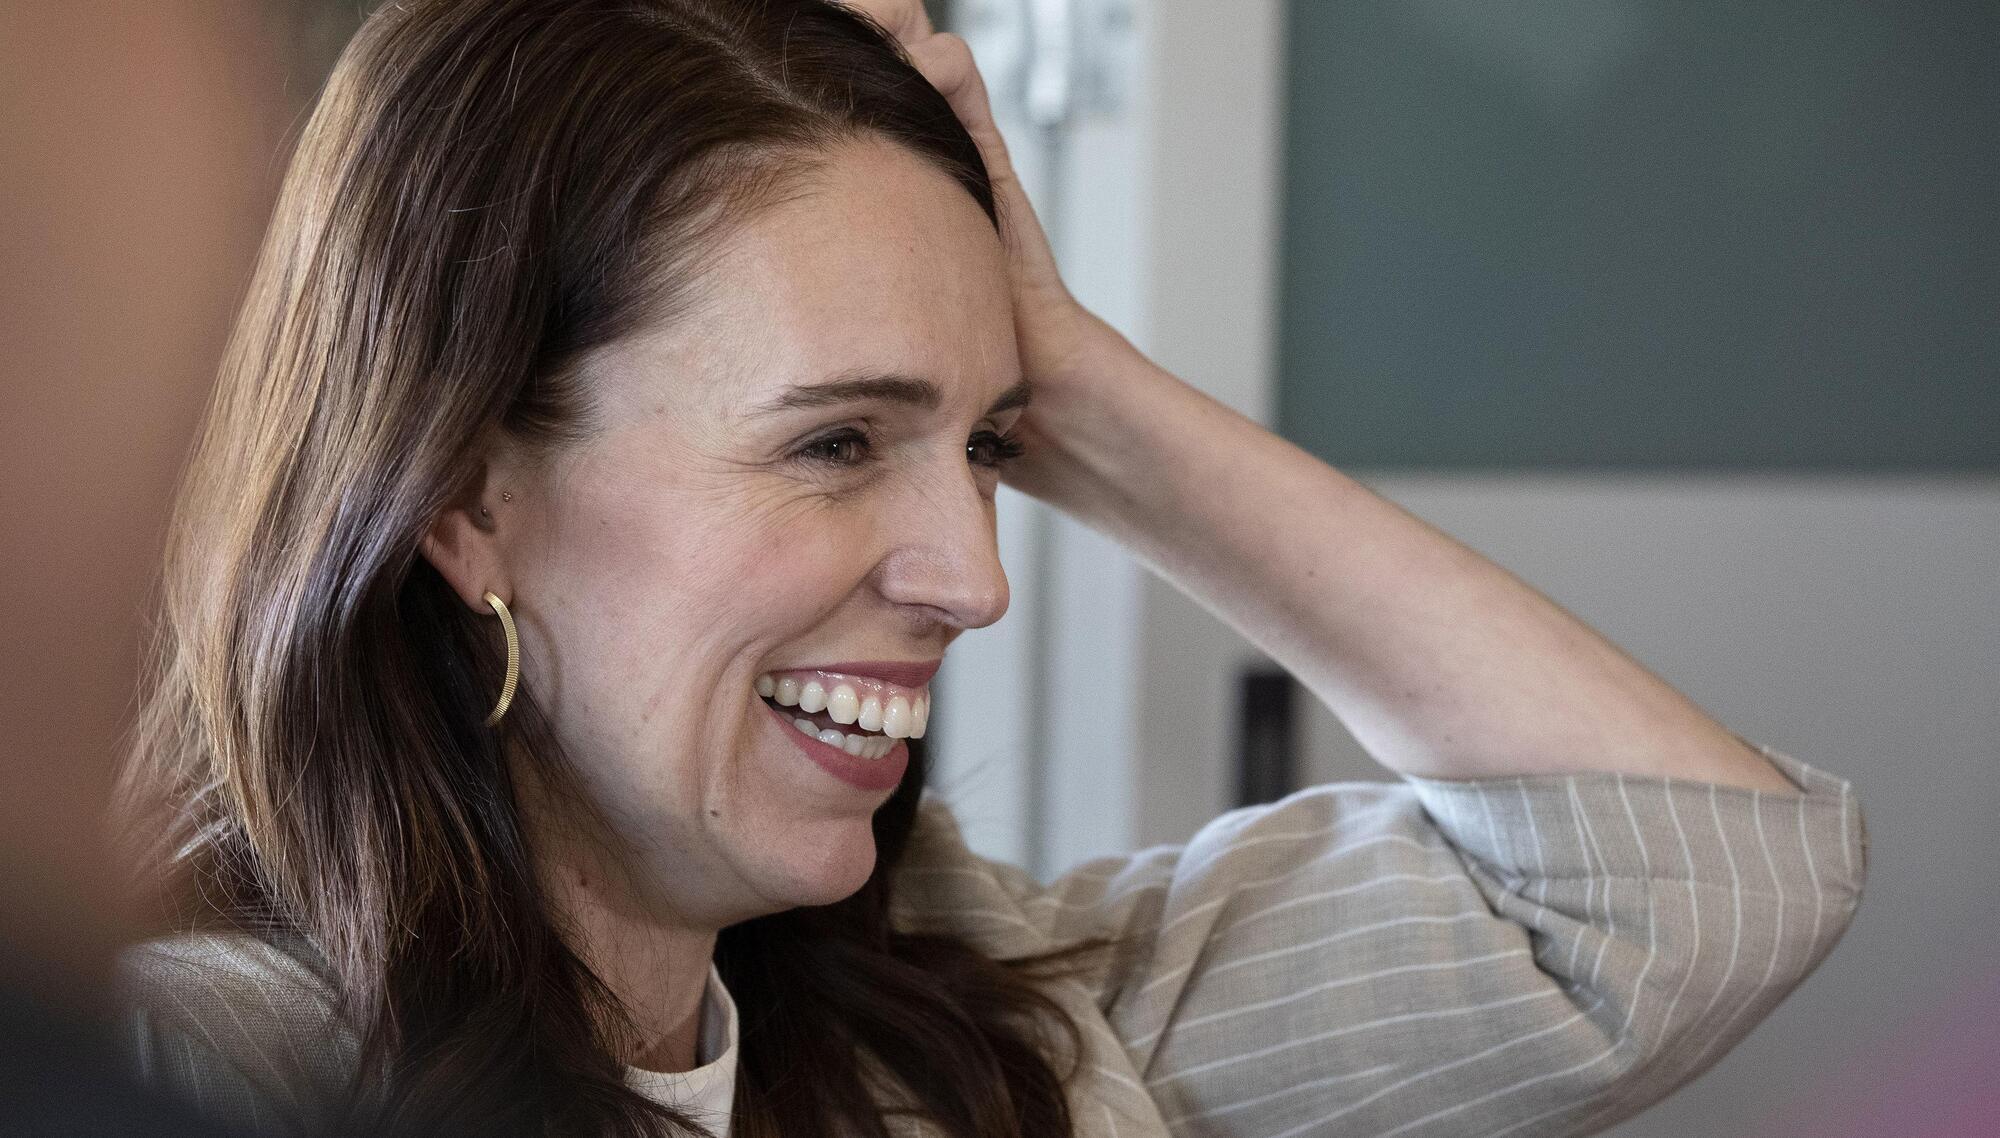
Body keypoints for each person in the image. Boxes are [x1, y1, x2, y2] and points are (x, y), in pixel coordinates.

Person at [114, 0, 1867, 1135]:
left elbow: (1687, 890)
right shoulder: (184, 1067)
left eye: (988, 449)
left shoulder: (998, 1032)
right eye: (834, 441)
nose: (975, 580)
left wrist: (1079, 384)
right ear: (463, 497)